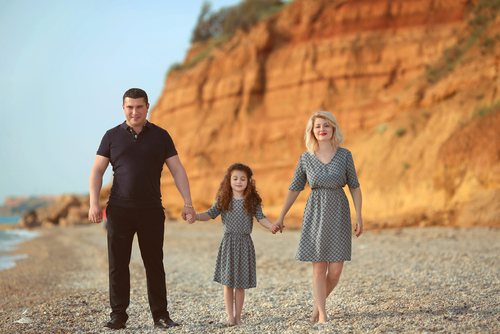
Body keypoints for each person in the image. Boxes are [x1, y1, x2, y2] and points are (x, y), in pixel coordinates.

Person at [88, 88, 196, 330]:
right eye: (130, 107)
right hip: (119, 210)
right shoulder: (111, 136)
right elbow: (97, 170)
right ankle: (118, 316)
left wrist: (187, 203)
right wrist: (94, 203)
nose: (134, 111)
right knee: (118, 265)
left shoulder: (161, 136)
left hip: (151, 211)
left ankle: (160, 316)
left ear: (147, 107)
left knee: (154, 263)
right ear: (123, 108)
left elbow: (177, 170)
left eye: (139, 106)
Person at [273, 111, 363, 324]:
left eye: (326, 126)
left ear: (333, 129)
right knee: (319, 267)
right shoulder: (305, 158)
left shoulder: (345, 155)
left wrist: (359, 215)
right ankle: (322, 313)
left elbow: (355, 186)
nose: (322, 129)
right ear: (312, 132)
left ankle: (317, 304)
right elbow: (295, 188)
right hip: (315, 213)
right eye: (317, 127)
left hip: (340, 212)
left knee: (335, 270)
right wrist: (281, 216)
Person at [187, 163, 277, 326]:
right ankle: (229, 316)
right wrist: (196, 217)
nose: (238, 182)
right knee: (228, 283)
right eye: (235, 178)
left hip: (244, 244)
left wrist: (271, 225)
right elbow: (210, 214)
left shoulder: (252, 201)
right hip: (228, 243)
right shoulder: (224, 199)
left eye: (243, 179)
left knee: (240, 284)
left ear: (249, 181)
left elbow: (261, 217)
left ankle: (238, 317)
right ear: (229, 180)